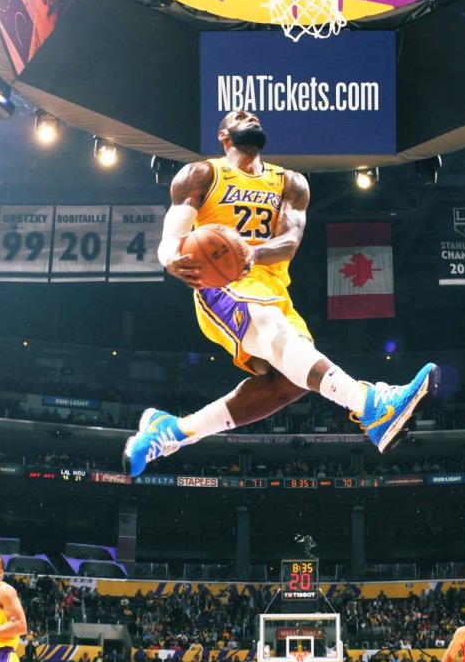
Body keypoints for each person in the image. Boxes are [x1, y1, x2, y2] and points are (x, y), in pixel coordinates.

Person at [123, 109, 438, 476]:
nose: (251, 116)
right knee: (277, 336)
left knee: (291, 381)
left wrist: (251, 253)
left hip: (274, 290)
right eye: (240, 115)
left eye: (254, 114)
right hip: (222, 286)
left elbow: (290, 241)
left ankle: (172, 431)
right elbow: (170, 241)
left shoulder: (290, 182)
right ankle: (371, 403)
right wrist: (171, 260)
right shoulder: (202, 174)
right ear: (224, 135)